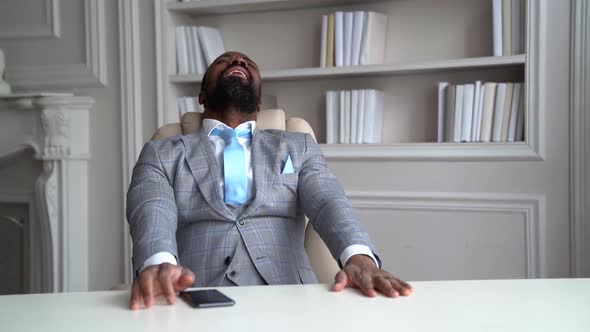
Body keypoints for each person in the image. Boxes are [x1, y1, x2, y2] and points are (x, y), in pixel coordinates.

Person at [126, 51, 412, 310]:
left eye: (248, 63)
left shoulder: (297, 146)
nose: (238, 62)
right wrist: (159, 264)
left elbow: (328, 199)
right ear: (201, 96)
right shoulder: (162, 152)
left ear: (260, 102)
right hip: (196, 297)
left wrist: (359, 259)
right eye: (224, 62)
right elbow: (152, 210)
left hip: (290, 299)